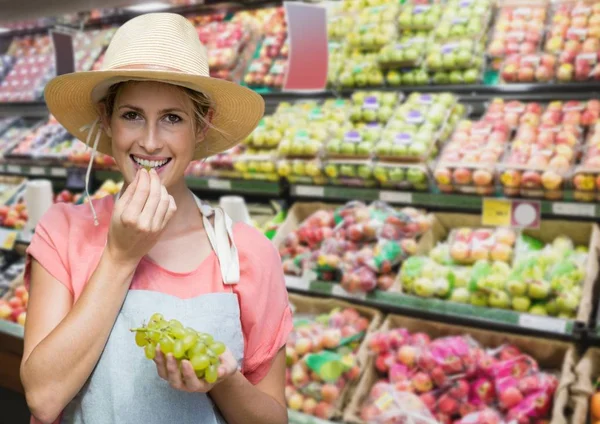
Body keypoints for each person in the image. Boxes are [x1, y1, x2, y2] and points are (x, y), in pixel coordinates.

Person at [20, 13, 292, 424]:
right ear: (106, 121)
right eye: (131, 115)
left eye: (173, 118)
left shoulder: (248, 253)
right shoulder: (62, 231)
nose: (149, 141)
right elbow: (43, 397)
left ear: (202, 128)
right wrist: (120, 255)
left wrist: (223, 379)